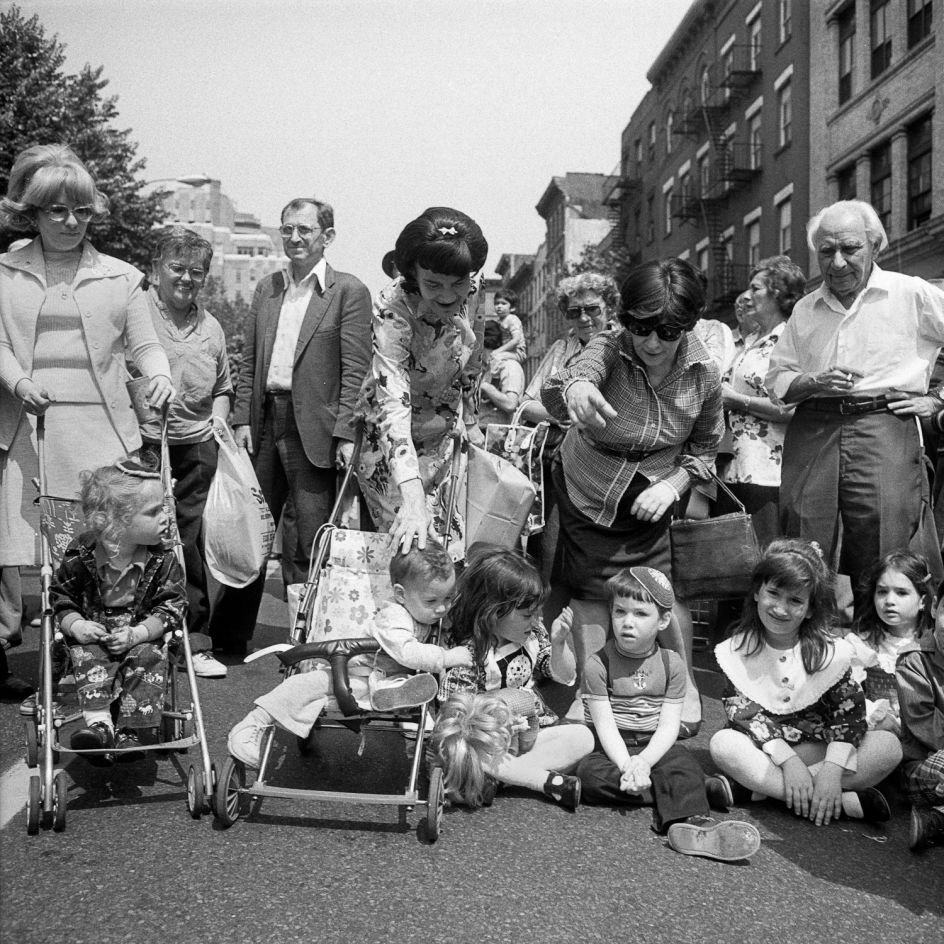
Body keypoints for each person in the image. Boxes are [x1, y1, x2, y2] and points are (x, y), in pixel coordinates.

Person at [0, 144, 173, 693]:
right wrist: (20, 383)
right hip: (28, 430)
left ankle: (98, 661)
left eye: (82, 211)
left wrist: (160, 375)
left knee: (101, 551)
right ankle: (39, 654)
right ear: (33, 211)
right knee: (32, 552)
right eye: (58, 211)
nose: (72, 222)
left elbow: (145, 346)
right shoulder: (4, 270)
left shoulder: (122, 278)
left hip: (103, 436)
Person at [541, 258, 723, 733]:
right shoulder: (607, 345)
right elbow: (569, 378)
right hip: (589, 487)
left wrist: (675, 484)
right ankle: (594, 695)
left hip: (655, 495)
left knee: (655, 594)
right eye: (640, 328)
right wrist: (578, 387)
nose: (651, 342)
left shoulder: (705, 373)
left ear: (690, 324)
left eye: (667, 331)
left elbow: (706, 449)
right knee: (595, 591)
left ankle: (677, 695)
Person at [208, 196, 371, 655]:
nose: (295, 238)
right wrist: (241, 418)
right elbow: (248, 358)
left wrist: (344, 433)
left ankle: (307, 640)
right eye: (288, 230)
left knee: (305, 539)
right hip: (263, 423)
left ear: (327, 237)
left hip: (313, 432)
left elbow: (355, 371)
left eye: (305, 230)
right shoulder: (268, 288)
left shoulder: (347, 292)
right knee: (250, 530)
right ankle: (228, 637)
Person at [767, 199, 944, 594]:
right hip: (814, 428)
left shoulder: (911, 293)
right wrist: (813, 381)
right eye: (826, 251)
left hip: (884, 423)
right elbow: (777, 378)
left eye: (850, 248)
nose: (839, 262)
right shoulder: (805, 309)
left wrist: (937, 400)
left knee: (887, 537)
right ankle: (809, 642)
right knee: (802, 535)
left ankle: (882, 646)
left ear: (875, 245)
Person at [709, 539, 903, 826]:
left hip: (821, 748)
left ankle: (759, 791)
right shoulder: (736, 650)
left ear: (811, 609)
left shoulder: (830, 652)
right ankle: (836, 801)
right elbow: (745, 716)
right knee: (723, 744)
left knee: (888, 746)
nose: (780, 608)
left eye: (795, 600)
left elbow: (849, 715)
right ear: (756, 593)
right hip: (769, 749)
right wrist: (789, 763)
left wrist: (832, 771)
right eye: (773, 594)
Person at [227, 541, 472, 767]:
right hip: (349, 670)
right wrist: (445, 657)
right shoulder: (394, 616)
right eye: (432, 601)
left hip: (378, 678)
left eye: (449, 598)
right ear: (400, 594)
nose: (442, 608)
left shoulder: (425, 616)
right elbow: (406, 652)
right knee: (303, 684)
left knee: (395, 683)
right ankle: (251, 726)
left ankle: (391, 694)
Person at [574, 567, 761, 862]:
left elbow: (669, 724)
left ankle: (692, 826)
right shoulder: (598, 663)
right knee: (589, 774)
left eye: (640, 614)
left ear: (662, 620)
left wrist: (645, 761)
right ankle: (685, 791)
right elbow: (605, 725)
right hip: (614, 746)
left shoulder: (672, 663)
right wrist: (627, 765)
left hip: (654, 743)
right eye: (619, 611)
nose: (627, 622)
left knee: (682, 761)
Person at [354, 207, 489, 554]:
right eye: (433, 284)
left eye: (457, 284)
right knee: (411, 549)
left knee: (453, 548)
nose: (447, 296)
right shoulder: (392, 308)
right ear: (412, 273)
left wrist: (469, 417)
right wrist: (411, 493)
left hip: (445, 437)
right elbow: (392, 399)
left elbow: (474, 358)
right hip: (393, 442)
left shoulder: (476, 289)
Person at [135, 226, 232, 679]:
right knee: (137, 537)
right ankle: (134, 636)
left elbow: (223, 388)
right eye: (177, 268)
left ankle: (196, 641)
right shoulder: (136, 313)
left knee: (187, 540)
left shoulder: (211, 326)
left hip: (196, 444)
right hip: (143, 444)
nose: (187, 278)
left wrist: (219, 417)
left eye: (197, 271)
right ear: (156, 270)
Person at [437, 544, 594, 810]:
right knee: (468, 751)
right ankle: (540, 780)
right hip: (486, 739)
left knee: (583, 737)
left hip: (530, 731)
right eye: (527, 614)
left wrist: (558, 645)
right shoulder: (467, 653)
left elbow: (565, 675)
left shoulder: (533, 636)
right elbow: (456, 711)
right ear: (492, 611)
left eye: (537, 613)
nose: (535, 621)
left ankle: (500, 779)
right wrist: (499, 716)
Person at [50, 458, 186, 764]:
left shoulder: (162, 558)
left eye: (165, 506)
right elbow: (61, 596)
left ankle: (130, 732)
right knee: (87, 654)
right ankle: (100, 727)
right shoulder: (79, 555)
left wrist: (139, 632)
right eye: (154, 511)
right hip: (94, 631)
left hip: (142, 634)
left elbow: (172, 605)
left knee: (149, 656)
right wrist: (76, 626)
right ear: (111, 522)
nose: (167, 517)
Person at [518, 272, 618, 586]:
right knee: (548, 549)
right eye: (574, 312)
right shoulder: (562, 350)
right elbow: (525, 405)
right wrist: (558, 412)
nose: (584, 318)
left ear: (610, 307)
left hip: (606, 469)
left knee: (594, 559)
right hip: (555, 468)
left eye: (592, 309)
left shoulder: (624, 345)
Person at [717, 256, 804, 548]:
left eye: (756, 288)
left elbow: (791, 409)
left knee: (764, 554)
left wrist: (737, 400)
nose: (747, 295)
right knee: (732, 562)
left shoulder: (790, 341)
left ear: (777, 294)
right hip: (733, 465)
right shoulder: (750, 339)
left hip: (768, 471)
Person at [846, 550, 934, 733]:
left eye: (901, 593)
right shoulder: (863, 644)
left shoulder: (931, 644)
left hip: (925, 734)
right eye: (882, 592)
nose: (889, 601)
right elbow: (850, 694)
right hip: (881, 732)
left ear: (923, 601)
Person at [897, 577, 944, 850]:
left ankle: (937, 821)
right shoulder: (914, 661)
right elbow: (930, 732)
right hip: (922, 767)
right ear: (935, 606)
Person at [478, 320, 525, 431]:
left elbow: (510, 404)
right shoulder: (485, 367)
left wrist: (485, 387)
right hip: (483, 432)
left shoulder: (509, 366)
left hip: (500, 437)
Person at [490, 288, 526, 364]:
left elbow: (516, 340)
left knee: (496, 358)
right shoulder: (499, 321)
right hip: (507, 351)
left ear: (512, 308)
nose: (499, 306)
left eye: (503, 303)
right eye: (497, 303)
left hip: (517, 352)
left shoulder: (512, 319)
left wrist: (498, 350)